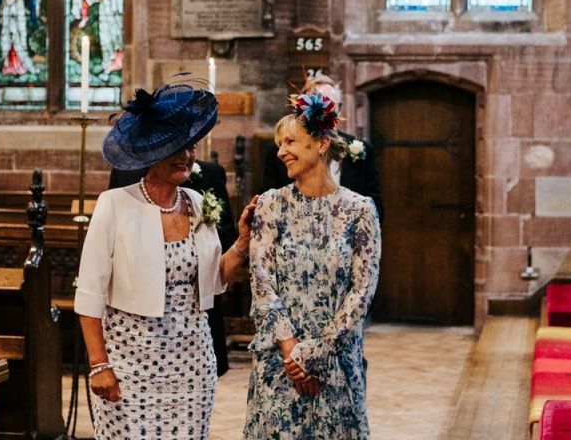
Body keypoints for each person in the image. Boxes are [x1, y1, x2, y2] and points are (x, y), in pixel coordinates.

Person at [75, 83, 257, 440]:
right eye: (175, 147)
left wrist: (242, 243)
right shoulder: (114, 204)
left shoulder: (197, 203)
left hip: (192, 363)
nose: (186, 155)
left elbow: (215, 280)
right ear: (151, 152)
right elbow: (90, 293)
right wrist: (99, 365)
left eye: (190, 146)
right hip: (131, 363)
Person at [243, 90, 381, 440]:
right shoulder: (271, 205)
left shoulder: (360, 210)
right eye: (279, 142)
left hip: (335, 360)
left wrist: (315, 352)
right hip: (280, 361)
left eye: (290, 141)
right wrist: (292, 352)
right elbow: (261, 281)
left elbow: (361, 292)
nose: (280, 151)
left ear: (320, 144)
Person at [107, 155, 238, 376]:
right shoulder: (124, 175)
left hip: (194, 312)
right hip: (138, 326)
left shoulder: (210, 176)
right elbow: (115, 242)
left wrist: (196, 244)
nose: (185, 154)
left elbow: (225, 233)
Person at [261, 73, 383, 221]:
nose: (321, 115)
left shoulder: (362, 150)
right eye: (314, 108)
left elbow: (375, 211)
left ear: (339, 109)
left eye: (328, 106)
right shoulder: (279, 152)